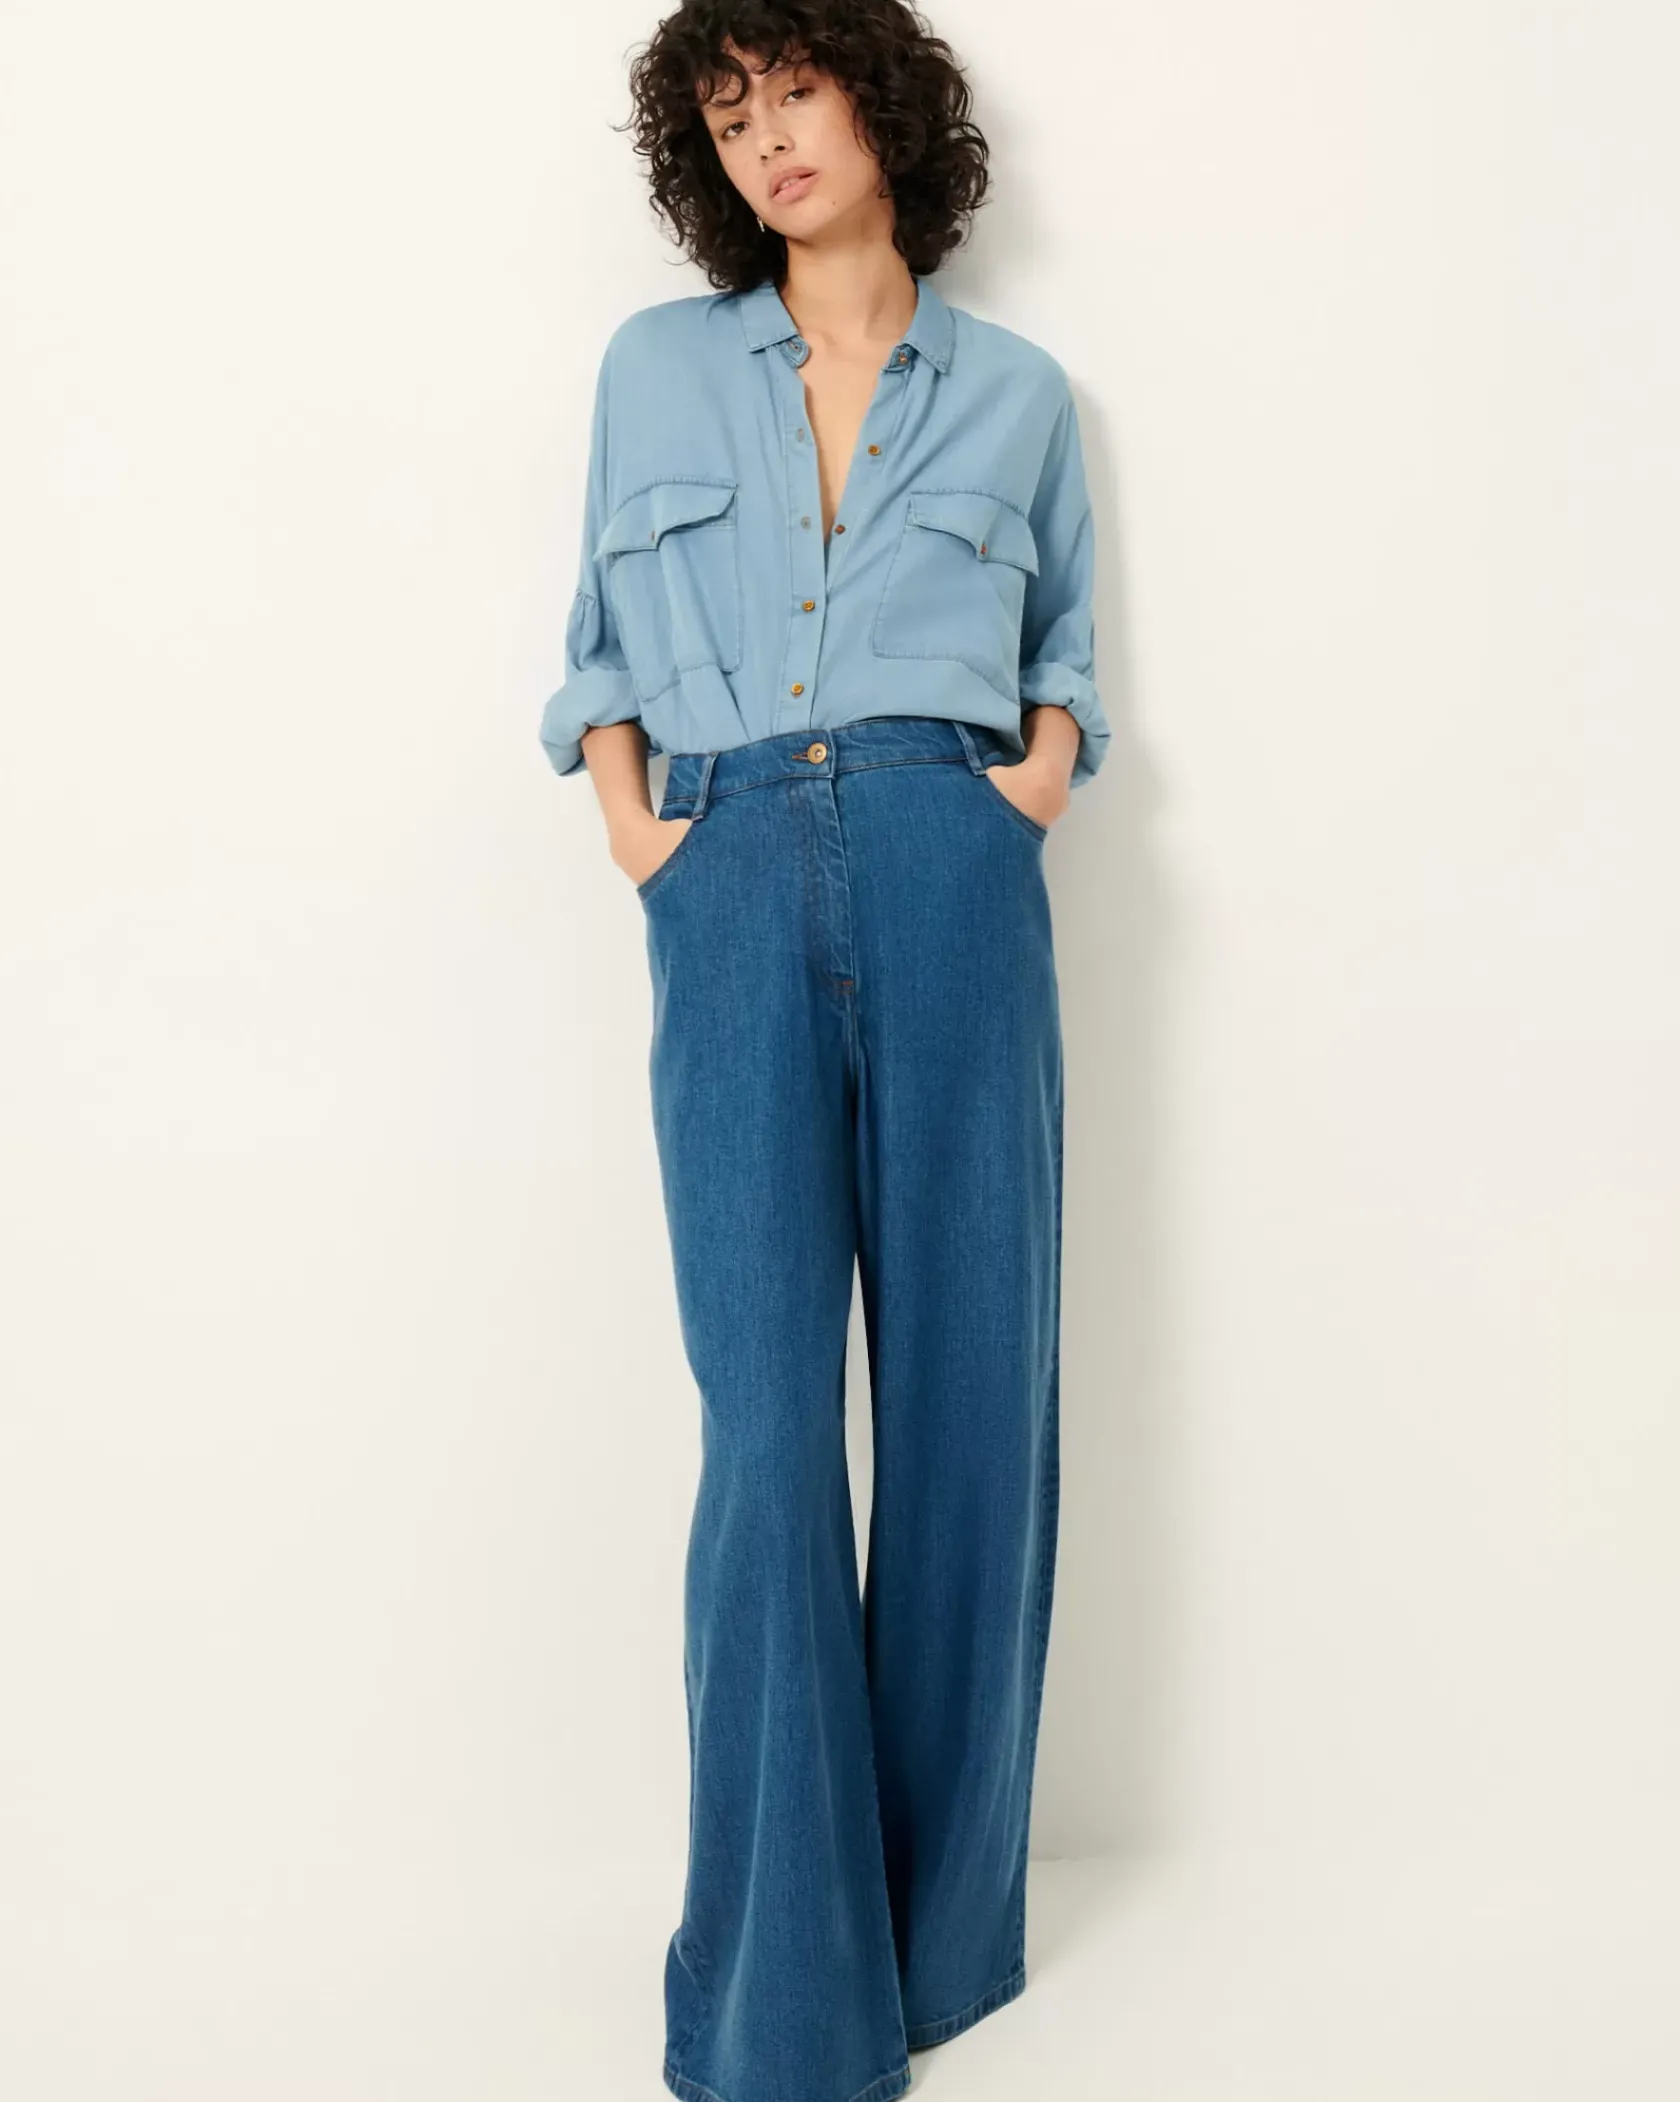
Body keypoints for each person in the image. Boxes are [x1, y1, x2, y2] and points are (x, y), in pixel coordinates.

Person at [539, 9, 1109, 2101]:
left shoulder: (1025, 397)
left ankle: (942, 1945)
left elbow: (1069, 655)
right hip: (730, 870)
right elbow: (598, 643)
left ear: (883, 105)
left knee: (971, 1405)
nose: (766, 136)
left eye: (794, 90)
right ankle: (787, 1999)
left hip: (955, 859)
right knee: (772, 1431)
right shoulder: (655, 367)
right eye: (727, 114)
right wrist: (642, 830)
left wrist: (1024, 788)